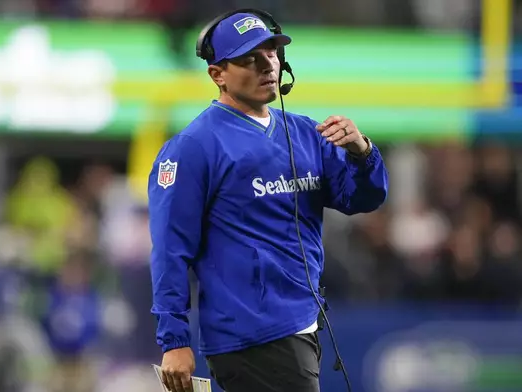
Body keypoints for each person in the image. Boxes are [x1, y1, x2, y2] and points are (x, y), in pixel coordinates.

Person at [147, 9, 389, 392]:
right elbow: (170, 251)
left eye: (272, 53)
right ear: (217, 74)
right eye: (249, 59)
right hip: (249, 334)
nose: (267, 66)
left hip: (301, 323)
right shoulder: (193, 148)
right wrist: (174, 340)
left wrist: (362, 152)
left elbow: (363, 198)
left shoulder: (307, 133)